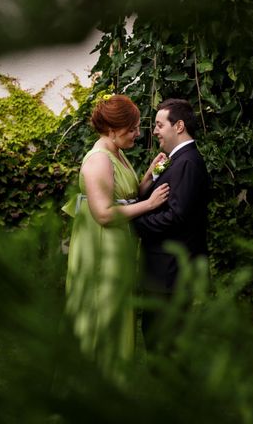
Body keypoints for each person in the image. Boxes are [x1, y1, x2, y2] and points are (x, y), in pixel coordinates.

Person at [62, 94, 170, 373]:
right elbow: (104, 213)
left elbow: (128, 194)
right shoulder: (98, 160)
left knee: (117, 309)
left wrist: (152, 172)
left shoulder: (117, 154)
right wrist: (150, 205)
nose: (137, 133)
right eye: (132, 128)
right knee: (102, 311)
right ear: (112, 129)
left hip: (115, 245)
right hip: (100, 248)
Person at [133, 98, 211, 350]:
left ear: (178, 126)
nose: (154, 131)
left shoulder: (188, 162)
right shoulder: (174, 160)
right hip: (163, 271)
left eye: (158, 125)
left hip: (172, 273)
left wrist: (135, 222)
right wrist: (150, 177)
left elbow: (175, 216)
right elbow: (154, 199)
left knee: (165, 344)